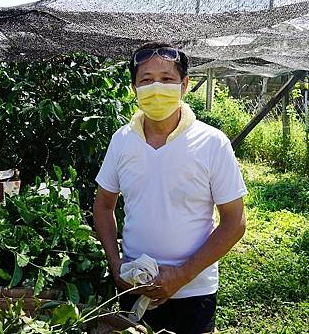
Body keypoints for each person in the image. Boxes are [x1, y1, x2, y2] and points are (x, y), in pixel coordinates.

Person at [93, 42, 247, 334]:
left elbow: (234, 221)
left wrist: (181, 276)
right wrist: (116, 264)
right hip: (134, 285)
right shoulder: (122, 140)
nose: (156, 88)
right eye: (146, 80)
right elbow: (103, 205)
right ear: (134, 88)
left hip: (193, 291)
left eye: (166, 79)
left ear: (185, 85)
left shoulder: (212, 143)